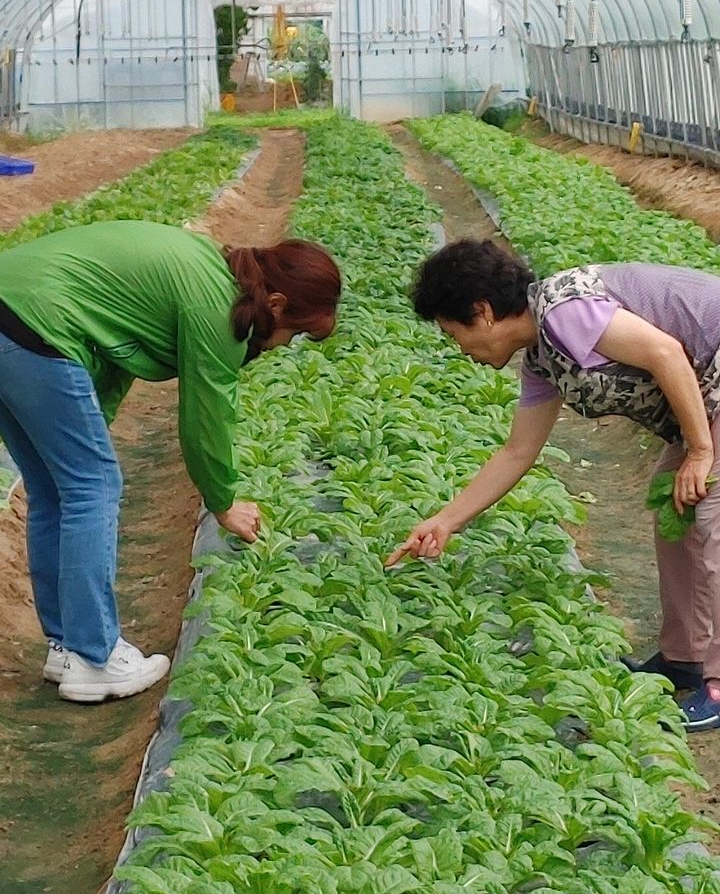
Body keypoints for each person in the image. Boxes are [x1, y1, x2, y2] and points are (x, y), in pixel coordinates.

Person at [386, 238, 720, 732]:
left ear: (483, 312)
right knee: (675, 504)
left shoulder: (563, 310)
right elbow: (517, 452)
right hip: (710, 391)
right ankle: (683, 657)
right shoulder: (543, 358)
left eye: (454, 332)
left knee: (711, 513)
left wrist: (699, 451)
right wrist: (444, 521)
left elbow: (666, 352)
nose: (460, 348)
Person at [0, 220, 340, 703]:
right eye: (296, 333)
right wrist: (223, 502)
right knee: (91, 488)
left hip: (13, 308)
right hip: (36, 324)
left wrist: (90, 423)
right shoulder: (219, 310)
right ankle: (95, 658)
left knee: (55, 488)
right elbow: (206, 418)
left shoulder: (208, 270)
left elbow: (115, 352)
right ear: (278, 305)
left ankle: (66, 646)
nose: (286, 344)